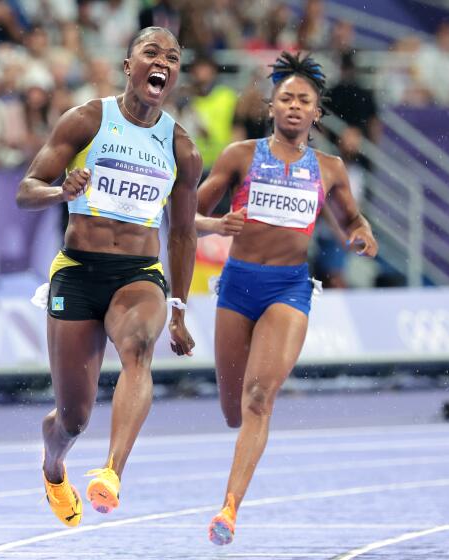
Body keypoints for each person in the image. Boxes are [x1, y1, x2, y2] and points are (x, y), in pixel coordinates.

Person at [16, 26, 201, 526]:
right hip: (77, 271)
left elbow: (183, 234)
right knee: (72, 417)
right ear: (128, 65)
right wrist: (61, 192)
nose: (162, 61)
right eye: (151, 52)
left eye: (173, 57)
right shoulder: (87, 120)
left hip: (138, 274)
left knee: (139, 349)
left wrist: (179, 308)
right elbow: (26, 189)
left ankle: (111, 473)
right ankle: (54, 467)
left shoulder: (182, 149)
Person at [193, 52, 377, 546]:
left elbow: (351, 220)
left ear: (318, 113)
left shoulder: (331, 168)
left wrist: (361, 234)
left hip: (288, 289)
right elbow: (188, 216)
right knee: (232, 410)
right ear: (270, 105)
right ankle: (233, 478)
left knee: (258, 399)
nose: (295, 107)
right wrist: (216, 224)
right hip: (236, 287)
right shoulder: (240, 156)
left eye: (305, 101)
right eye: (286, 98)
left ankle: (229, 509)